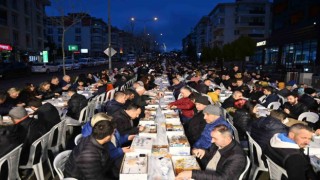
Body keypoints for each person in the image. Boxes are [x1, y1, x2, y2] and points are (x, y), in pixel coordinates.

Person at [176, 125, 247, 180]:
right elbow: (212, 156)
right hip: (207, 173)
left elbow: (222, 178)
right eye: (212, 137)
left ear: (227, 138)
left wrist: (192, 174)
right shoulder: (218, 144)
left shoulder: (237, 157)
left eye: (215, 138)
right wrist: (204, 152)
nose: (212, 141)